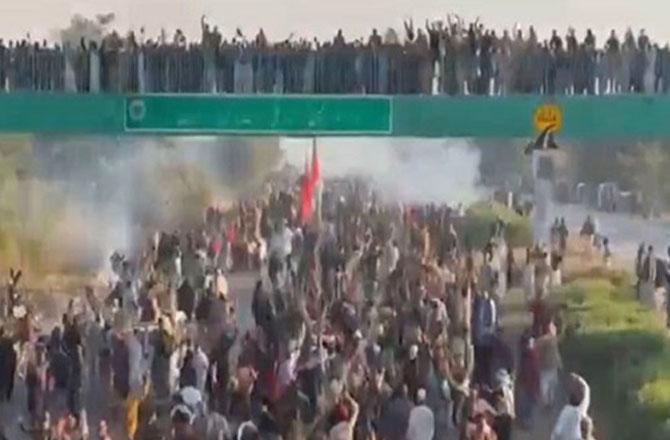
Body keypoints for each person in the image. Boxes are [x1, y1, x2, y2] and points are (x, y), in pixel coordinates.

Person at [550, 373, 590, 440]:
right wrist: (580, 380)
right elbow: (586, 394)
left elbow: (557, 431)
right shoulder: (581, 412)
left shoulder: (567, 411)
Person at [536, 321, 562, 409]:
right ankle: (549, 401)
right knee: (550, 385)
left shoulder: (542, 340)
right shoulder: (550, 340)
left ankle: (548, 402)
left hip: (547, 365)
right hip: (549, 365)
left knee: (547, 385)